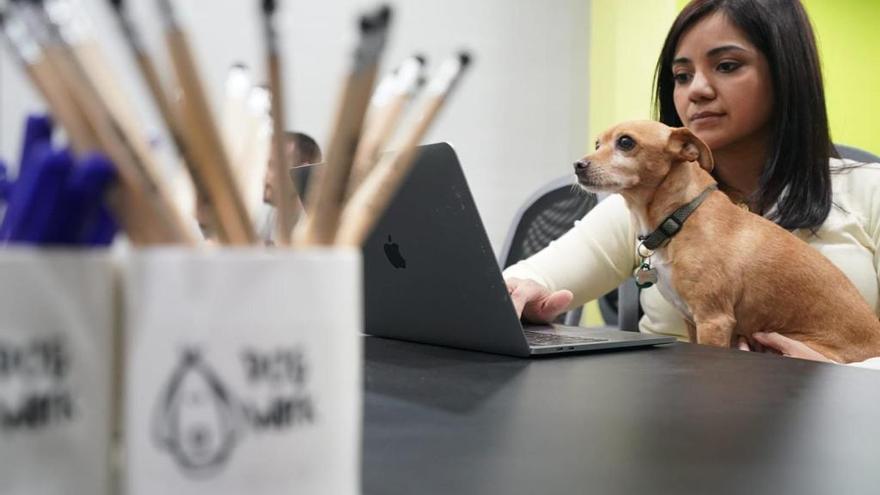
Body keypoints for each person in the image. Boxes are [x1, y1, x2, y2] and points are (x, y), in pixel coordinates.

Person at [503, 0, 880, 369]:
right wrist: (521, 290)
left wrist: (837, 375)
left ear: (786, 74)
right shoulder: (642, 203)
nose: (696, 90)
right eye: (682, 76)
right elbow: (528, 279)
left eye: (727, 66)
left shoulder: (869, 191)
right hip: (677, 416)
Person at [258, 131, 323, 243]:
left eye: (272, 165)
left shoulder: (319, 232)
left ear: (302, 170)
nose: (264, 177)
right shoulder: (269, 220)